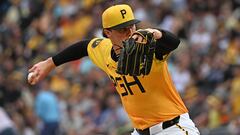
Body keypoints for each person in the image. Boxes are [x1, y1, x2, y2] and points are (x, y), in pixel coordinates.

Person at [28, 4, 200, 135]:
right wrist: (49, 63)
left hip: (173, 127)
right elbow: (83, 47)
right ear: (107, 32)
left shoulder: (149, 46)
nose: (130, 31)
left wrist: (157, 34)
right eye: (122, 29)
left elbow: (173, 42)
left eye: (132, 26)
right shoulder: (103, 50)